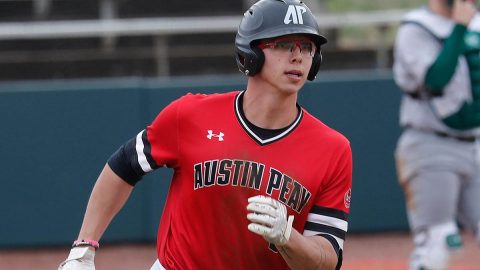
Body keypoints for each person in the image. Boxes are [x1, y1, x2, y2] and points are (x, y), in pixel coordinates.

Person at [58, 0, 352, 269]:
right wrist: (84, 248)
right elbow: (123, 166)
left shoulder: (332, 149)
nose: (298, 56)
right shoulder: (190, 115)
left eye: (307, 46)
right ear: (250, 52)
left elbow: (327, 260)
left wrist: (288, 237)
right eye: (285, 44)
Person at [393, 0, 480, 269]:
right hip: (432, 144)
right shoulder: (415, 27)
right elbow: (435, 78)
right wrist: (459, 27)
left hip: (476, 142)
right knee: (438, 245)